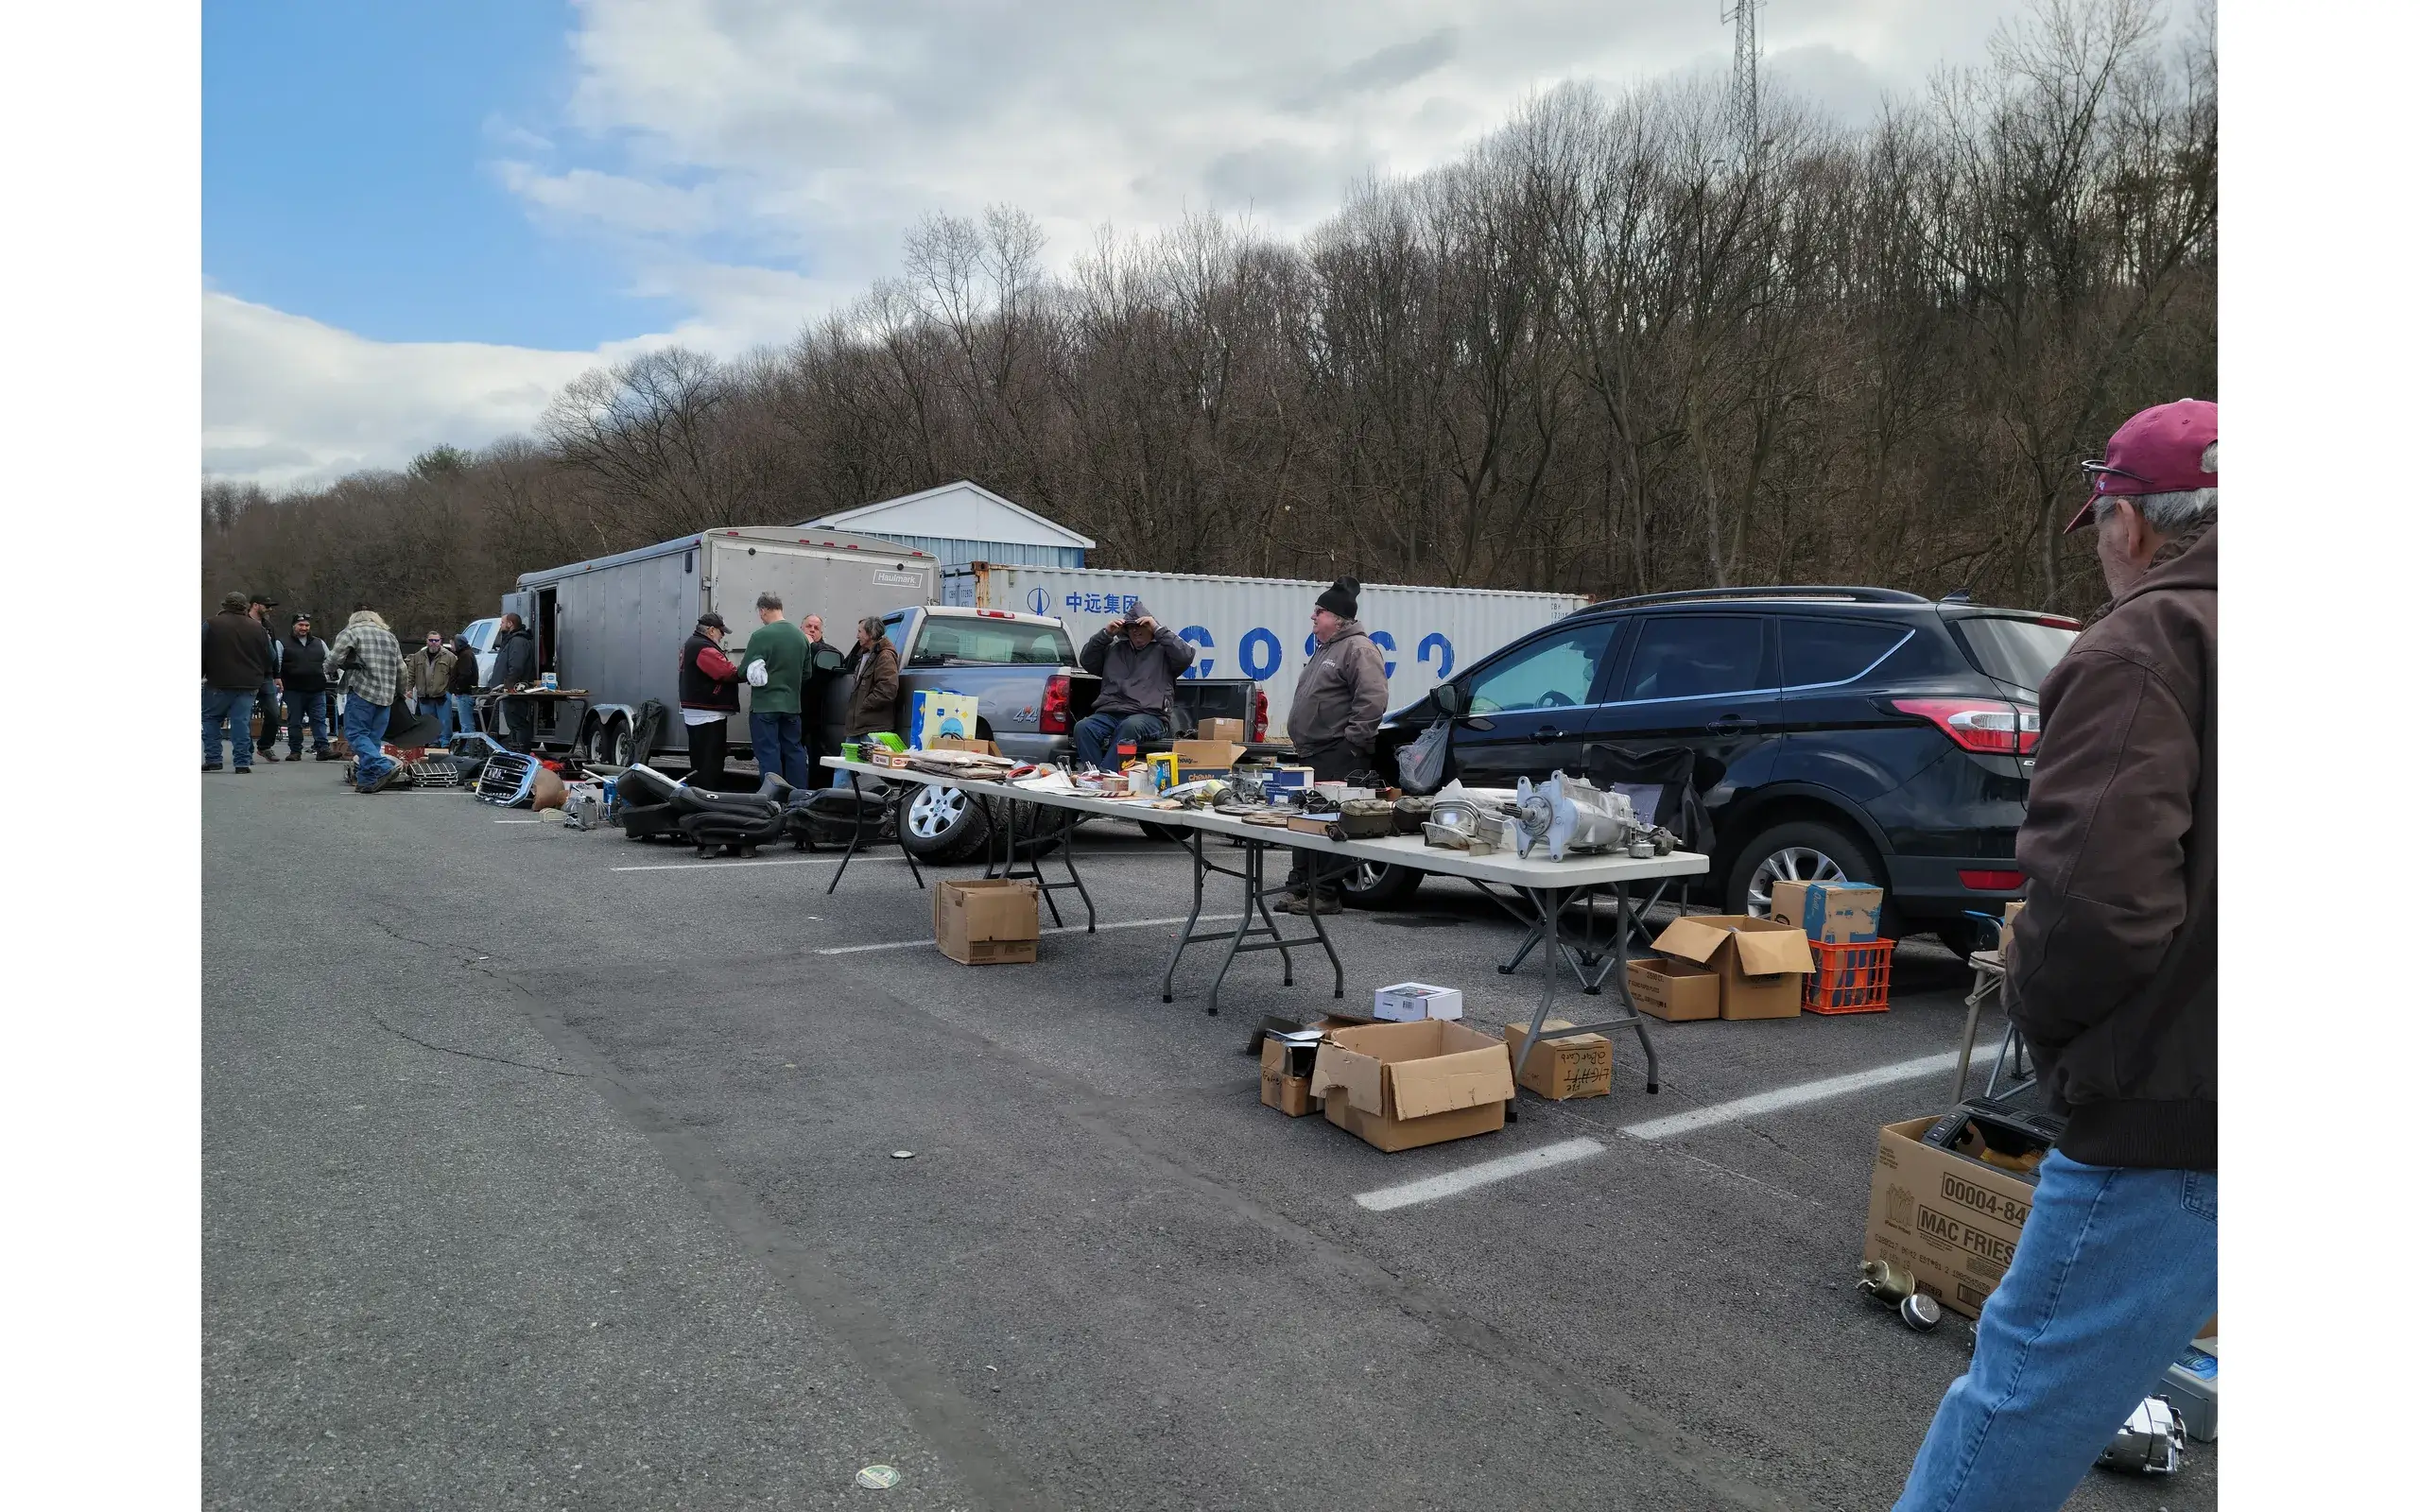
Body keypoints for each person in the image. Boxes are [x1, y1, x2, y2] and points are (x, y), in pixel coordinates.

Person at [1893, 398, 2217, 1512]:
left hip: (2169, 1115)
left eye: (2102, 525)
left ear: (2130, 523)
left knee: (2012, 1415)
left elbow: (2093, 911)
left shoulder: (2146, 646)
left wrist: (2041, 1006)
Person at [1276, 577, 1390, 914]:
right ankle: (1300, 886)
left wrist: (1353, 743)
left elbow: (1373, 699)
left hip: (1338, 753)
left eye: (1320, 611)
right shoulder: (1326, 649)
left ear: (1338, 619)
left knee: (1329, 825)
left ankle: (1326, 893)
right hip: (1313, 753)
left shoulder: (1359, 649)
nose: (1313, 616)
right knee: (1306, 823)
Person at [1074, 600, 1195, 769]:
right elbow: (1087, 660)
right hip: (1111, 713)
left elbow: (1186, 655)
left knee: (1130, 726)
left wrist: (1158, 629)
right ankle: (1094, 775)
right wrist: (1105, 634)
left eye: (1141, 626)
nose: (1136, 630)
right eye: (1131, 627)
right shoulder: (1114, 649)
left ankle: (1107, 775)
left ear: (1150, 628)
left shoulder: (1165, 652)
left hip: (1150, 716)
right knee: (1083, 727)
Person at [325, 606, 409, 794]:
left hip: (362, 691)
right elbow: (402, 668)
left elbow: (333, 659)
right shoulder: (390, 637)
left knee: (355, 734)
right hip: (386, 695)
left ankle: (383, 766)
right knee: (372, 740)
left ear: (354, 618)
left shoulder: (351, 632)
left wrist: (327, 669)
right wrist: (400, 692)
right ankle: (367, 780)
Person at [738, 593, 810, 787]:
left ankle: (774, 795)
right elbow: (807, 673)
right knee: (794, 750)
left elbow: (743, 671)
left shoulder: (760, 636)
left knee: (768, 752)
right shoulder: (801, 637)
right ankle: (799, 795)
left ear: (763, 610)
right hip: (792, 706)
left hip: (765, 706)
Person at [202, 592, 274, 773]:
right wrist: (259, 670)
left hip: (218, 681)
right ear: (245, 607)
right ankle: (242, 762)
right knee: (241, 722)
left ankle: (213, 759)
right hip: (249, 683)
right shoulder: (257, 628)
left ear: (224, 605)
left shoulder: (212, 624)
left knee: (211, 719)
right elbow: (271, 655)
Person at [678, 611, 743, 788]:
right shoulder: (704, 647)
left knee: (698, 757)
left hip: (696, 710)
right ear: (711, 630)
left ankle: (697, 792)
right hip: (708, 711)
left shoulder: (691, 643)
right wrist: (746, 671)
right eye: (721, 632)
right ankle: (709, 794)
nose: (722, 636)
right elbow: (726, 672)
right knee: (711, 758)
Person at [279, 612, 335, 761]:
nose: (304, 628)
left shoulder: (319, 643)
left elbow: (329, 660)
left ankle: (323, 749)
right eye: (301, 625)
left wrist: (327, 674)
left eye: (307, 625)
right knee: (295, 721)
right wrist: (278, 679)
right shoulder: (282, 643)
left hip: (317, 689)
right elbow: (277, 663)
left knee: (319, 720)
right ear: (294, 626)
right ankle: (295, 751)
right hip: (293, 689)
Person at [488, 611, 538, 752]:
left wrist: (508, 686)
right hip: (510, 690)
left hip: (515, 691)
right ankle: (517, 750)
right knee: (514, 723)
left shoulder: (518, 641)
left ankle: (521, 752)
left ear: (510, 624)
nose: (501, 625)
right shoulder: (513, 640)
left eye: (503, 623)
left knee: (517, 723)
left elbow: (516, 666)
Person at [801, 613, 842, 781]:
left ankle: (818, 788)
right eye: (808, 626)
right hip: (794, 710)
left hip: (819, 713)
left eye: (816, 628)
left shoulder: (826, 651)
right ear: (801, 628)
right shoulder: (793, 648)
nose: (812, 630)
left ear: (821, 632)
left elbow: (839, 658)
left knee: (818, 754)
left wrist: (812, 645)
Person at [248, 593, 285, 762]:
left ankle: (265, 746)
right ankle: (245, 750)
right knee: (244, 714)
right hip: (246, 674)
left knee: (273, 713)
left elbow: (274, 652)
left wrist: (277, 675)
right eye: (266, 606)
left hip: (266, 675)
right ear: (255, 605)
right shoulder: (244, 622)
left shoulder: (268, 626)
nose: (269, 609)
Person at [406, 630, 457, 736]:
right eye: (431, 640)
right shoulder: (417, 656)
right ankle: (433, 742)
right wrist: (409, 689)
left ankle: (445, 742)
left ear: (440, 641)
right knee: (429, 723)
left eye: (436, 640)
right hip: (424, 695)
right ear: (427, 641)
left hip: (443, 695)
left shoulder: (450, 656)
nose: (434, 642)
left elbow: (455, 675)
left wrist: (451, 690)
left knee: (445, 722)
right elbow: (411, 674)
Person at [443, 632, 481, 742]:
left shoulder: (465, 656)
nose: (451, 647)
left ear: (458, 644)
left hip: (465, 694)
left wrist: (457, 688)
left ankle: (469, 747)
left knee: (466, 724)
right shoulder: (466, 654)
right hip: (465, 693)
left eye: (452, 644)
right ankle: (468, 746)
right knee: (466, 723)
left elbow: (465, 675)